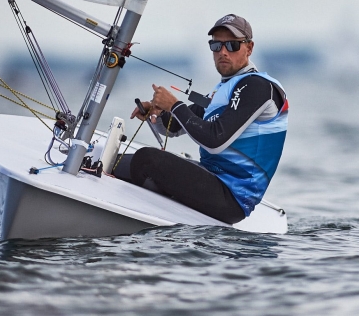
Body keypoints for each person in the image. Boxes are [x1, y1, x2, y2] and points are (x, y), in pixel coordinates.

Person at [113, 14, 288, 224]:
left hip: (232, 197)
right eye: (216, 45)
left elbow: (215, 140)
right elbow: (174, 127)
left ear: (249, 48)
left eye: (232, 45)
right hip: (213, 178)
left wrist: (174, 104)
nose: (223, 52)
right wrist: (159, 112)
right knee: (121, 160)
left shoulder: (257, 87)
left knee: (147, 159)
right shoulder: (224, 89)